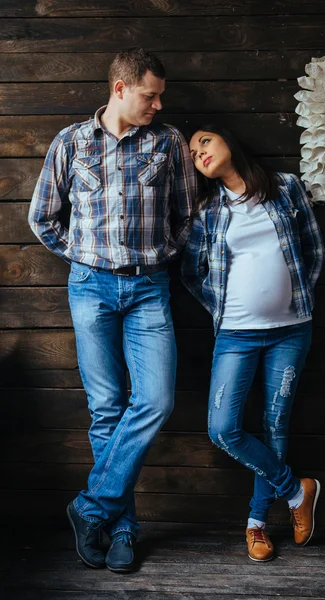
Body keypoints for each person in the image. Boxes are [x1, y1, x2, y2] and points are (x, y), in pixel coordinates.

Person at [28, 47, 197, 573]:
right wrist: (86, 260)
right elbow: (42, 217)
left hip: (149, 290)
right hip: (90, 288)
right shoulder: (71, 142)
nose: (158, 105)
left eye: (161, 96)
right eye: (150, 95)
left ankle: (89, 507)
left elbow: (188, 216)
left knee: (156, 400)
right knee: (105, 408)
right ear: (120, 89)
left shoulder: (168, 143)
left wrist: (158, 257)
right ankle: (120, 528)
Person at [180, 125, 325, 562]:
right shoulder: (208, 212)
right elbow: (192, 273)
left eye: (204, 141)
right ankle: (298, 494)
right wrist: (228, 308)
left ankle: (257, 524)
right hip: (236, 336)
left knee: (275, 424)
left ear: (229, 140)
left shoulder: (286, 188)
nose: (198, 152)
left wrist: (296, 298)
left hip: (291, 330)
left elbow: (313, 250)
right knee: (223, 429)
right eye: (191, 152)